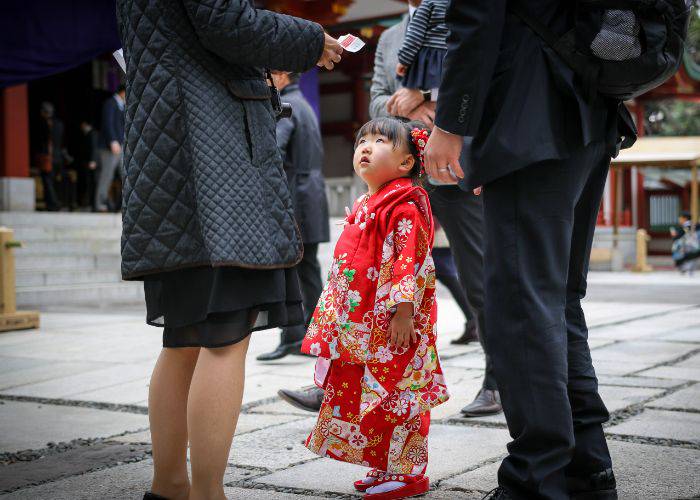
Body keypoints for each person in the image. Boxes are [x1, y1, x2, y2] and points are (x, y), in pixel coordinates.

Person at [116, 0, 343, 499]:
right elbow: (228, 22)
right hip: (212, 155)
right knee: (225, 334)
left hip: (169, 150)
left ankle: (169, 487)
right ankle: (207, 493)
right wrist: (310, 40)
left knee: (184, 339)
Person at [423, 1, 636, 498]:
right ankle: (587, 468)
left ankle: (536, 478)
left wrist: (451, 126)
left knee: (522, 305)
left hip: (530, 118)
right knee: (557, 301)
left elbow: (475, 21)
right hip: (589, 113)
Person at [278, 0, 501, 418]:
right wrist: (412, 107)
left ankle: (497, 382)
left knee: (479, 277)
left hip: (457, 167)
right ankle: (332, 383)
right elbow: (377, 100)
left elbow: (480, 79)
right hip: (400, 172)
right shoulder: (391, 38)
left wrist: (428, 94)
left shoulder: (466, 17)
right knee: (362, 280)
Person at [301, 117, 449, 500]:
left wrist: (404, 313)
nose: (365, 146)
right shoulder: (372, 202)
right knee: (373, 395)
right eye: (361, 140)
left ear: (406, 164)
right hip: (369, 324)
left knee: (401, 394)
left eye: (380, 140)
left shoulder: (405, 207)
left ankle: (410, 471)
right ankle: (384, 465)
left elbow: (409, 264)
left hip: (397, 322)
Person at [257, 71, 330, 361]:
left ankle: (296, 335)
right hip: (310, 193)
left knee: (293, 268)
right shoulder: (303, 103)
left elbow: (272, 151)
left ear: (282, 75)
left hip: (295, 195)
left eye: (268, 74)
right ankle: (311, 334)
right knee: (307, 268)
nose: (265, 80)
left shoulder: (285, 106)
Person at [395, 0, 448, 102]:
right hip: (449, 55)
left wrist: (403, 60)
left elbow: (415, 35)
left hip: (431, 56)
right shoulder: (458, 6)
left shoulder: (428, 3)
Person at [95, 85, 125, 212]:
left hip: (122, 146)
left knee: (126, 176)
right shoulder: (110, 103)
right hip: (110, 147)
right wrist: (113, 141)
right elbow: (108, 123)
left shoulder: (122, 106)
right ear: (123, 92)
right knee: (106, 176)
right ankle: (100, 204)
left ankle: (122, 205)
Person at [35, 102, 61, 211]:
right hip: (57, 156)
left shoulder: (45, 124)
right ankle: (51, 204)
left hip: (47, 156)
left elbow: (43, 141)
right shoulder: (59, 124)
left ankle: (53, 204)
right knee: (52, 181)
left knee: (47, 181)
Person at [75, 120, 99, 209]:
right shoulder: (88, 134)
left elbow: (94, 148)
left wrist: (93, 160)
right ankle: (89, 202)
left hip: (91, 162)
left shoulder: (92, 134)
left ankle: (92, 203)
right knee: (88, 183)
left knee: (91, 183)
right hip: (87, 162)